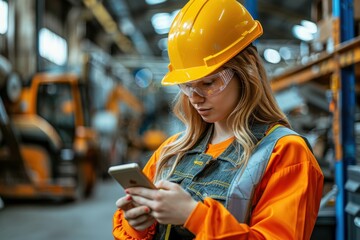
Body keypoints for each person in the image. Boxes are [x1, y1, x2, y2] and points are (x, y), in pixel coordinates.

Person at [112, 0, 324, 239]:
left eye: (209, 83)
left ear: (247, 73)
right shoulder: (171, 152)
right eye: (187, 86)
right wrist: (138, 227)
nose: (195, 98)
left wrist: (194, 216)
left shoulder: (285, 154)